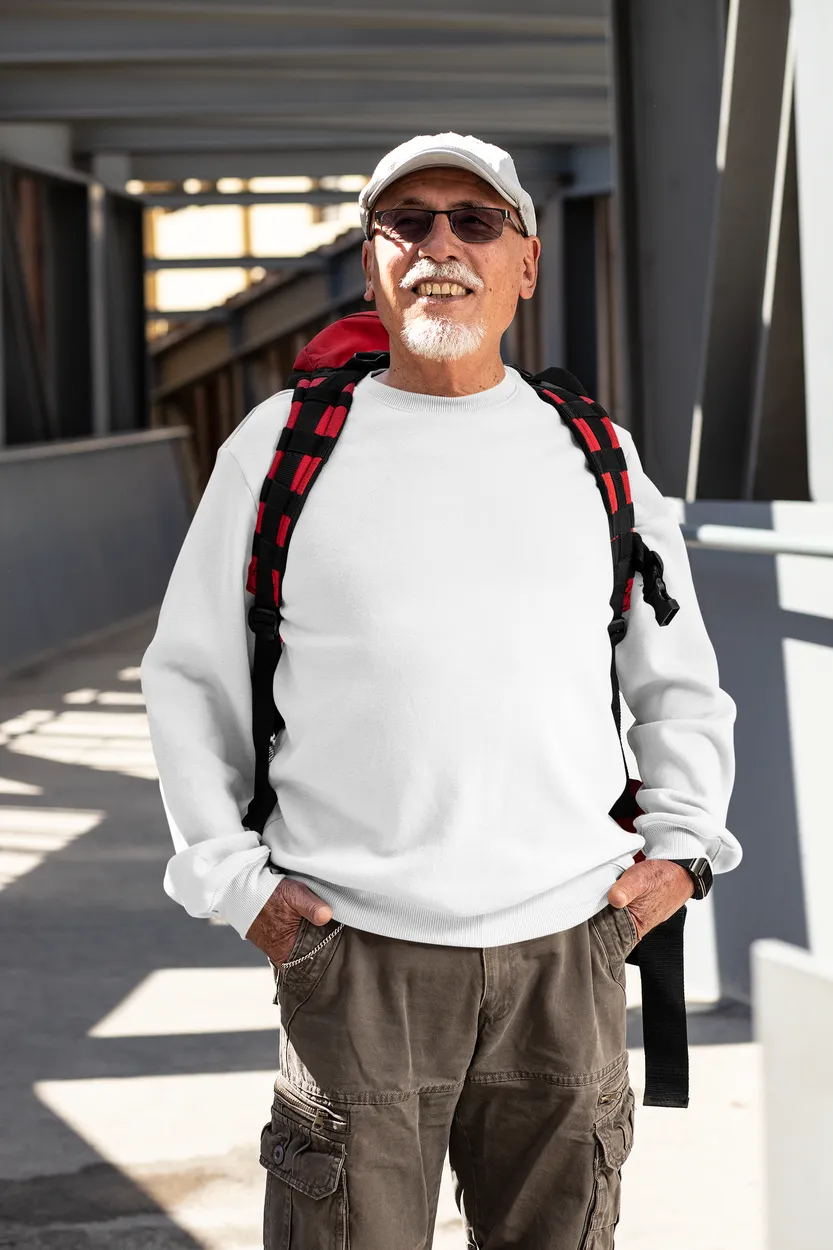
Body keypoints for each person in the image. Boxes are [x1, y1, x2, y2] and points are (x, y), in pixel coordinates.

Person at [140, 132, 742, 1249]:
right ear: (371, 264)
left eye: (474, 222)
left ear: (525, 262)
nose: (438, 247)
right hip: (353, 951)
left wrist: (686, 843)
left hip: (570, 943)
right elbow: (188, 677)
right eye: (404, 223)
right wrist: (232, 882)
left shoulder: (592, 453)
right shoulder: (280, 449)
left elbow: (678, 679)